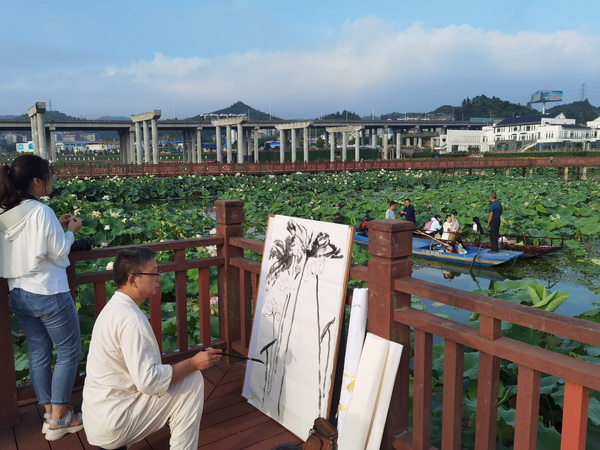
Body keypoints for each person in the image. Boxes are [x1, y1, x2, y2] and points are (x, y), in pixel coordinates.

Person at [82, 247, 223, 450]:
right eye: (154, 273)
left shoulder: (115, 307)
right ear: (133, 280)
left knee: (182, 377)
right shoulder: (131, 319)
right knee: (192, 380)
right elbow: (149, 382)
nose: (159, 278)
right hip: (113, 422)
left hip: (99, 414)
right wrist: (193, 363)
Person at [0, 155, 84, 441]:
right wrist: (70, 232)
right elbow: (59, 251)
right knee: (68, 351)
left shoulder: (5, 211)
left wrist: (55, 226)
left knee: (39, 354)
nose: (52, 179)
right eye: (49, 175)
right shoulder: (41, 210)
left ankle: (50, 414)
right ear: (37, 181)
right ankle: (60, 418)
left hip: (18, 293)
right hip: (49, 292)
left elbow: (32, 241)